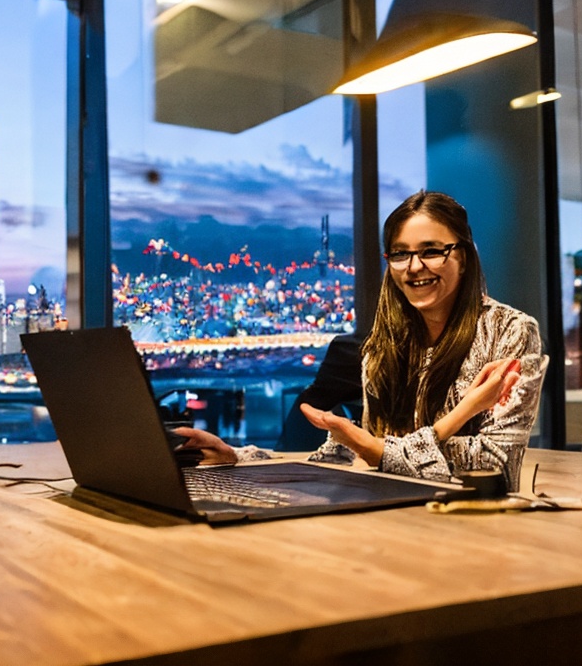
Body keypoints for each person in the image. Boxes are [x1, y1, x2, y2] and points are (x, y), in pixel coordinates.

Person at [175, 191, 544, 490]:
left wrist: (379, 451)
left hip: (474, 533)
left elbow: (498, 467)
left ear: (462, 257)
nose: (414, 267)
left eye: (432, 250)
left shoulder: (510, 332)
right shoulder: (381, 347)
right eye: (401, 254)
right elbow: (344, 459)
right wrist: (236, 457)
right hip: (385, 521)